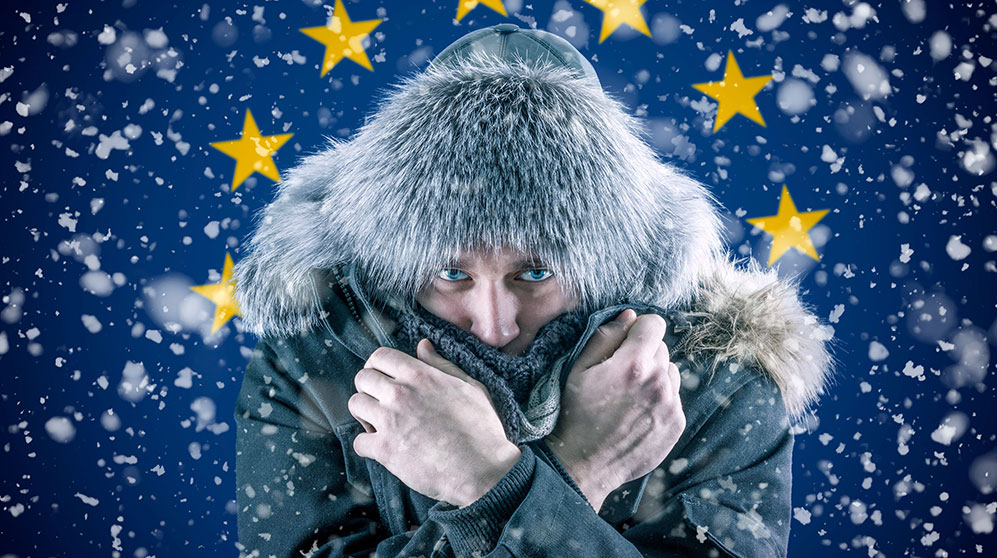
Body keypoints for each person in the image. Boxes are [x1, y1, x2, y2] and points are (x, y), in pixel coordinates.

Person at [232, 23, 833, 558]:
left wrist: (492, 487)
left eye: (536, 273)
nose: (494, 325)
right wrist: (578, 470)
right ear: (397, 258)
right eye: (452, 273)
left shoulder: (722, 379)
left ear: (610, 259)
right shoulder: (311, 360)